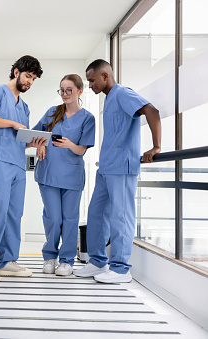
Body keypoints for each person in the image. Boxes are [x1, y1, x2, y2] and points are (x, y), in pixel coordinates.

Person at [73, 59, 161, 283]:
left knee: (120, 217)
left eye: (92, 80)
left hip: (122, 166)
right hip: (107, 167)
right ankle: (98, 262)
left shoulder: (122, 93)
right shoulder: (109, 99)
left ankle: (121, 269)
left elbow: (151, 110)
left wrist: (157, 146)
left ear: (105, 76)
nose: (90, 85)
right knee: (96, 213)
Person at [0, 55, 43, 282]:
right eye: (28, 76)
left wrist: (35, 141)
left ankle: (7, 261)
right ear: (16, 72)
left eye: (33, 79)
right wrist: (13, 123)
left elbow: (20, 138)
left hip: (16, 162)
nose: (30, 82)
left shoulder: (24, 107)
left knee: (15, 213)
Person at [32, 74, 95, 276]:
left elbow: (81, 150)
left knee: (69, 218)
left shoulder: (87, 118)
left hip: (72, 176)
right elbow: (35, 136)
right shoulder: (53, 112)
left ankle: (66, 260)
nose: (65, 94)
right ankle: (50, 256)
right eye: (62, 90)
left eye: (69, 90)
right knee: (53, 217)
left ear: (79, 91)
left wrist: (70, 144)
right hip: (48, 173)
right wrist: (39, 145)